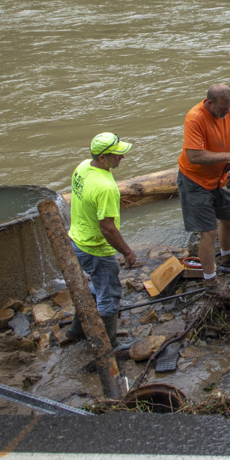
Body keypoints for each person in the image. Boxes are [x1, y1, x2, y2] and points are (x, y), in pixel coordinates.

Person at [66, 132, 138, 348]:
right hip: (96, 248)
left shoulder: (82, 167)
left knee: (94, 287)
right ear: (103, 158)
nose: (122, 157)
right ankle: (107, 345)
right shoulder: (106, 188)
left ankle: (76, 331)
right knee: (109, 295)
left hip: (77, 240)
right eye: (117, 154)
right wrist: (127, 252)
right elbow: (107, 229)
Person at [178, 83, 230, 277]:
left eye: (229, 108)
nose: (227, 112)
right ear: (210, 103)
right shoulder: (195, 118)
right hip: (196, 180)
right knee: (208, 230)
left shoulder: (229, 107)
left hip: (220, 178)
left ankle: (227, 258)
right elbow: (194, 156)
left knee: (229, 217)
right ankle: (210, 279)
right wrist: (229, 156)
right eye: (222, 109)